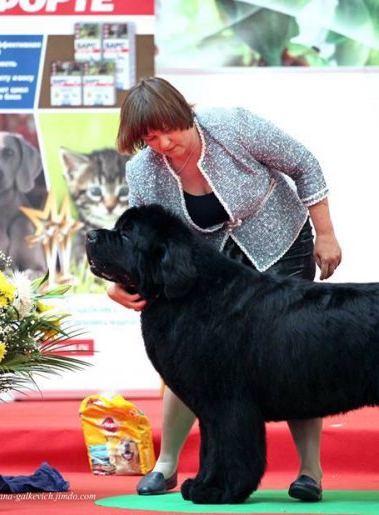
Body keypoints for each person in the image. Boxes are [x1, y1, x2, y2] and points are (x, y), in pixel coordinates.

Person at [109, 77, 342, 501]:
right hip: (206, 265)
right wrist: (119, 285)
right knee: (186, 353)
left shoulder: (233, 126)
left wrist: (325, 234)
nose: (163, 142)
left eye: (170, 130)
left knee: (297, 355)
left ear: (185, 115)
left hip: (280, 245)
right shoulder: (142, 170)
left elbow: (304, 165)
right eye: (150, 136)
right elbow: (142, 239)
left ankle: (310, 472)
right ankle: (167, 464)